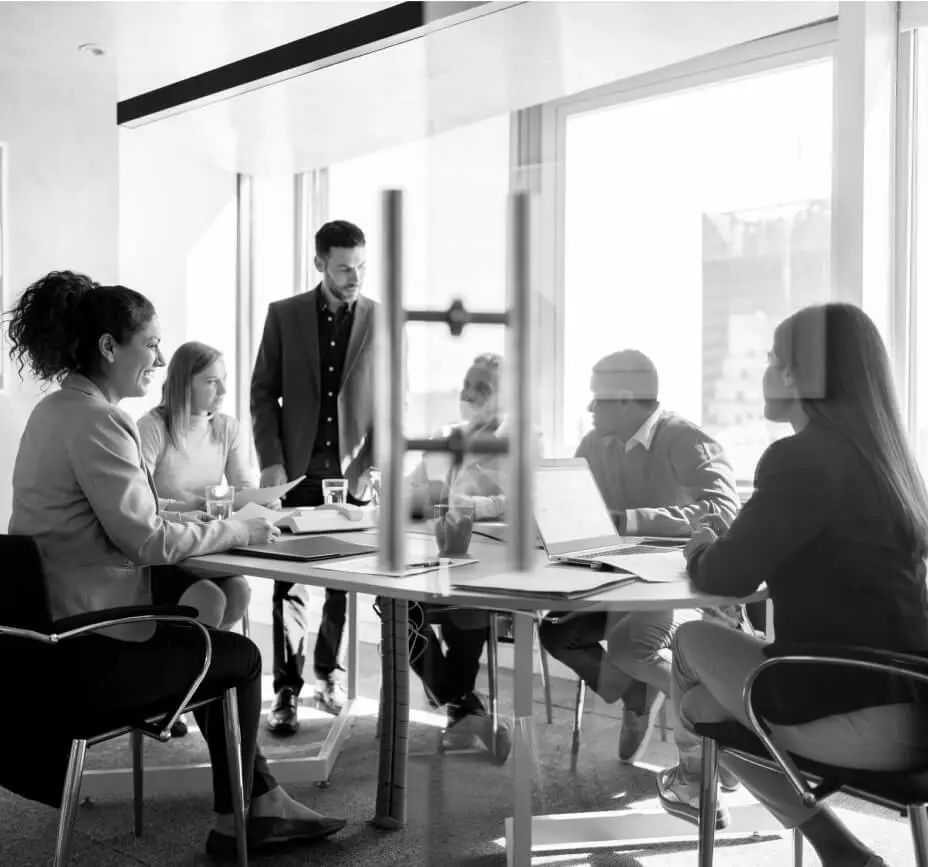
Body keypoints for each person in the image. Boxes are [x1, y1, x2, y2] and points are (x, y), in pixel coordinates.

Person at [5, 271, 346, 856]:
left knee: (211, 603)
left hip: (46, 641)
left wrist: (214, 525)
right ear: (110, 347)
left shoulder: (55, 411)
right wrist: (237, 527)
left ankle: (251, 799)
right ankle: (247, 813)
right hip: (89, 647)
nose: (160, 358)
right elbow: (145, 539)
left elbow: (138, 513)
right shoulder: (100, 420)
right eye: (151, 343)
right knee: (239, 656)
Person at [656, 303, 928, 867]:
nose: (763, 372)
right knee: (706, 703)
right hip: (914, 707)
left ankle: (694, 781)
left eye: (770, 359)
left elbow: (724, 577)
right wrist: (738, 544)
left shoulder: (800, 458)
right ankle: (839, 852)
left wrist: (701, 545)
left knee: (686, 643)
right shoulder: (892, 462)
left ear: (797, 375)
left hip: (849, 712)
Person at [540, 349, 741, 764]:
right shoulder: (595, 442)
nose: (590, 407)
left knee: (630, 646)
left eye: (597, 398)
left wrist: (628, 519)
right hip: (617, 580)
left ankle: (723, 727)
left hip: (678, 587)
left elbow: (723, 512)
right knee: (556, 632)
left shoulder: (686, 439)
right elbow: (571, 502)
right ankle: (636, 694)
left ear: (627, 399)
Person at [251, 220, 376, 735]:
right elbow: (263, 393)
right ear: (320, 262)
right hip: (295, 471)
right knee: (290, 583)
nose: (355, 276)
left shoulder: (383, 321)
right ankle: (285, 688)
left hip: (351, 474)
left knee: (341, 585)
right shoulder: (284, 315)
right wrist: (272, 461)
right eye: (345, 266)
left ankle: (330, 675)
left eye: (361, 266)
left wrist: (374, 467)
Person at [400, 352, 542, 760]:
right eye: (468, 383)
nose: (470, 393)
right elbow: (411, 492)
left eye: (483, 387)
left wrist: (468, 505)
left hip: (487, 567)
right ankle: (467, 707)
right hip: (431, 559)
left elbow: (526, 499)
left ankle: (462, 709)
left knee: (464, 607)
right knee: (394, 613)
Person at [138, 340, 256, 738]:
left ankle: (193, 688)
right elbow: (142, 500)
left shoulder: (226, 427)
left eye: (224, 382)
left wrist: (255, 501)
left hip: (208, 545)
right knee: (211, 600)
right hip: (165, 550)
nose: (222, 392)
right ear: (183, 384)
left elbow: (244, 488)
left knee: (238, 592)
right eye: (211, 382)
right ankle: (188, 692)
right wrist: (196, 505)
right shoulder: (152, 427)